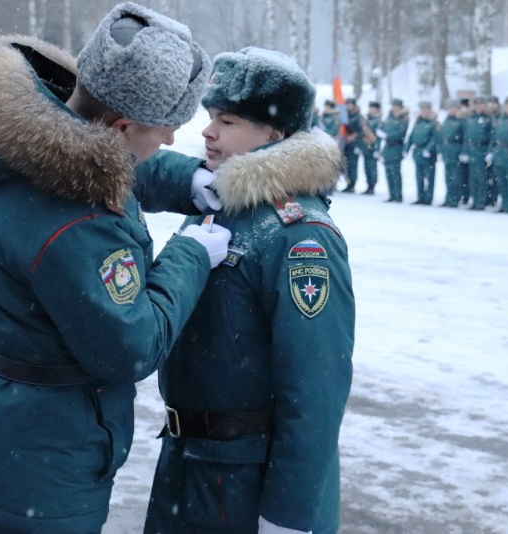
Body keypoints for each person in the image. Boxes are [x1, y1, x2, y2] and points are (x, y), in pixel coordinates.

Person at [0, 3, 232, 533]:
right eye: (165, 130)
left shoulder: (19, 132)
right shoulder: (76, 227)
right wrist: (192, 253)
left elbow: (87, 154)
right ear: (123, 125)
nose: (170, 141)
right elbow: (132, 344)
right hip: (46, 452)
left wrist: (183, 180)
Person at [136, 47, 355, 534]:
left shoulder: (299, 234)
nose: (208, 131)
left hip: (241, 480)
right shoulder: (220, 199)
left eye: (228, 121)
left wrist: (289, 516)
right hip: (187, 460)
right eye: (211, 117)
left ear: (275, 134)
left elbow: (315, 388)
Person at [460, 96, 495, 210]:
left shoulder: (489, 119)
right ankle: (474, 200)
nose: (478, 107)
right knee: (472, 178)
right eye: (476, 105)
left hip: (482, 149)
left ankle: (481, 201)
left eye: (481, 105)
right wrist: (464, 151)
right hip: (471, 150)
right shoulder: (470, 118)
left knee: (481, 178)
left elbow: (492, 137)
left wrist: (490, 152)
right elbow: (466, 136)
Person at [404, 101, 439, 205]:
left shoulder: (433, 123)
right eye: (422, 109)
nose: (423, 112)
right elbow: (411, 136)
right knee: (419, 177)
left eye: (425, 109)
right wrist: (407, 149)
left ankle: (428, 198)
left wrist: (428, 149)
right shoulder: (418, 122)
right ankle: (420, 196)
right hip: (417, 152)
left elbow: (435, 138)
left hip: (428, 154)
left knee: (429, 177)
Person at [378, 98, 409, 202]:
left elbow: (401, 134)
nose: (394, 108)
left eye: (396, 106)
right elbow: (383, 127)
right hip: (387, 148)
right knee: (388, 172)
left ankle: (398, 195)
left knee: (395, 172)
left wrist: (387, 136)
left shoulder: (403, 118)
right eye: (393, 106)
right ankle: (392, 194)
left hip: (396, 148)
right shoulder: (389, 117)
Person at [438, 99, 466, 208]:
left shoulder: (461, 121)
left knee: (456, 177)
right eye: (449, 108)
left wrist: (463, 151)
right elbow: (442, 135)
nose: (450, 110)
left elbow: (465, 138)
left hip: (456, 149)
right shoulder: (447, 120)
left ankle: (455, 199)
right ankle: (448, 198)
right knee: (448, 177)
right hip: (447, 151)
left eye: (453, 108)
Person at [341, 97, 364, 192]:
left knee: (353, 165)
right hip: (346, 143)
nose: (348, 106)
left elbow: (362, 130)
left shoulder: (358, 117)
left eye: (350, 104)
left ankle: (353, 184)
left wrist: (354, 136)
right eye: (347, 104)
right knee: (347, 164)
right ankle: (348, 183)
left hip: (354, 144)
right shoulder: (346, 116)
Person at [363, 101, 382, 194]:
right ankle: (368, 185)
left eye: (372, 108)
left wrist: (377, 148)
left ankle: (372, 185)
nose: (370, 110)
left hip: (373, 147)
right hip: (366, 147)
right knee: (366, 167)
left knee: (372, 168)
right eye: (370, 108)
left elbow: (379, 136)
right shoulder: (367, 119)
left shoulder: (378, 121)